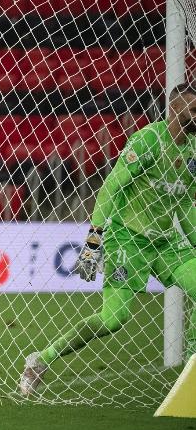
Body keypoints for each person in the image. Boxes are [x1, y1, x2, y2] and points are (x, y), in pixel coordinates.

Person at [19, 83, 196, 396]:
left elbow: (184, 202)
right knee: (114, 320)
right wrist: (92, 246)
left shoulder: (193, 148)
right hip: (128, 240)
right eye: (194, 109)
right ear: (175, 108)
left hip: (167, 243)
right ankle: (41, 360)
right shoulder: (148, 140)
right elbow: (110, 189)